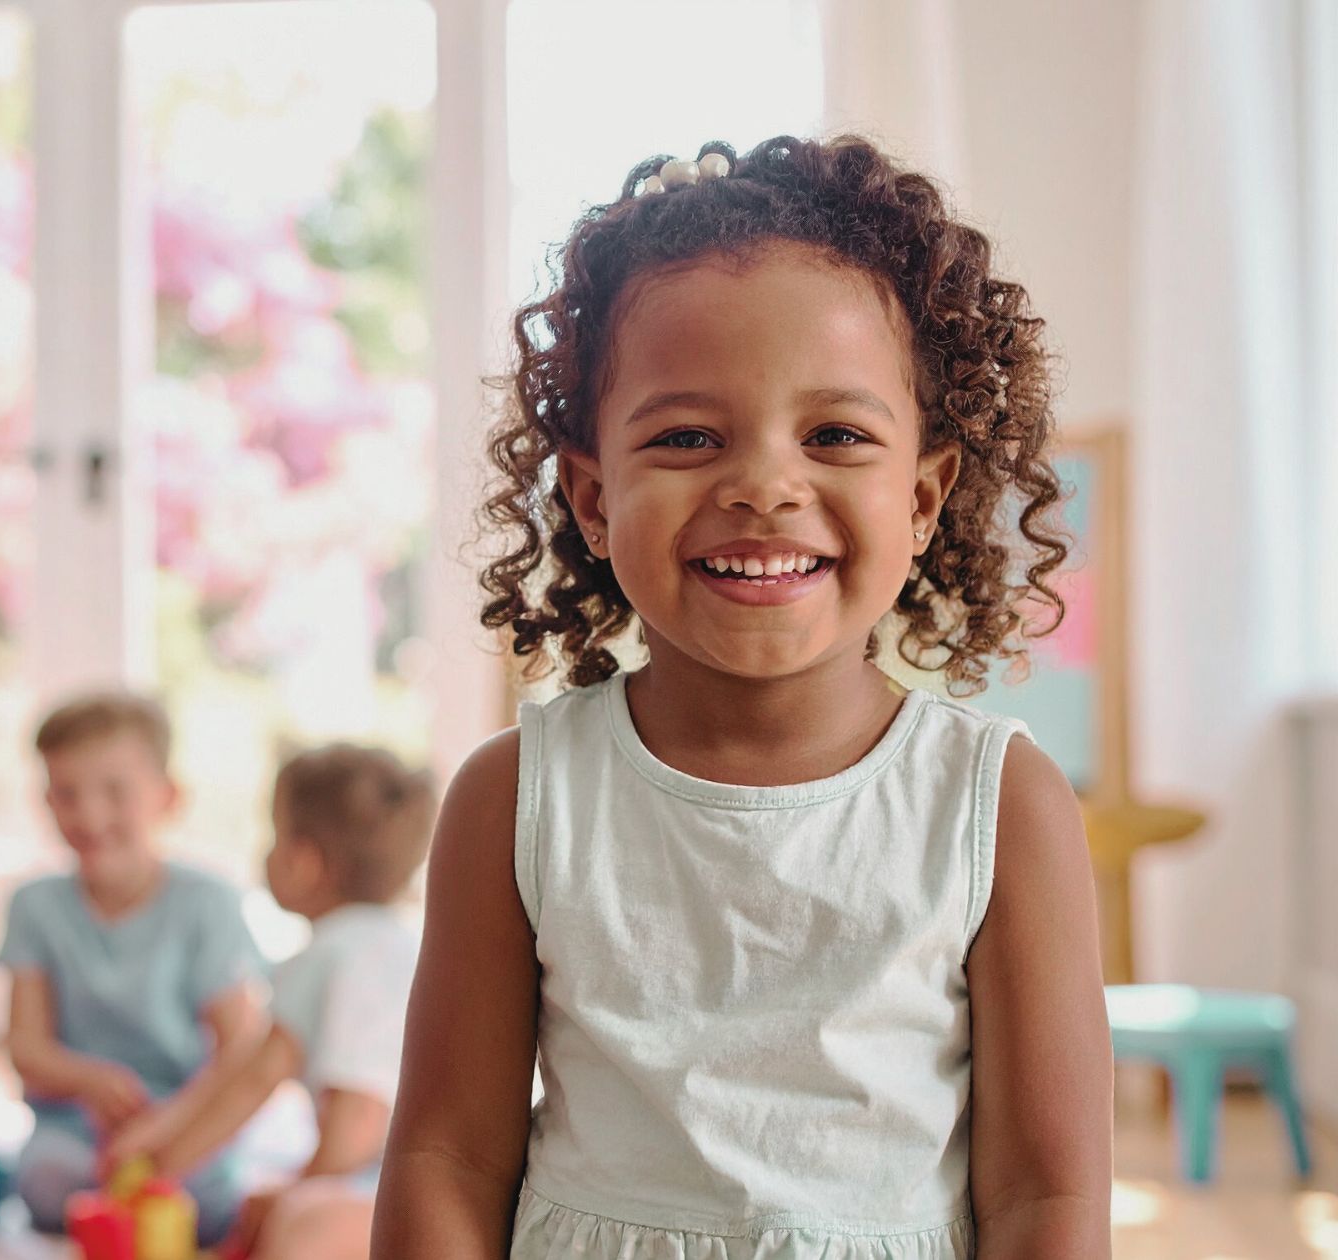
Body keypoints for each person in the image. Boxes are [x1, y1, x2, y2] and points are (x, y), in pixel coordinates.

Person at [373, 137, 1112, 1259]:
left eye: (833, 435)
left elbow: (1043, 1198)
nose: (764, 485)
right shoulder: (516, 795)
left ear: (918, 500)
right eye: (684, 437)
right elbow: (447, 1156)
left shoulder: (994, 803)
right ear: (588, 494)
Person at [109, 744, 432, 1260]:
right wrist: (162, 1152)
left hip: (397, 1199)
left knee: (295, 1224)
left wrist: (298, 1190)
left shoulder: (331, 954)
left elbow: (356, 1116)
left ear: (303, 862)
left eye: (274, 836)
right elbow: (245, 1072)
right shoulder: (403, 944)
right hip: (447, 1193)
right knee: (274, 1211)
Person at [0, 694, 266, 1246]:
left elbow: (239, 1052)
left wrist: (161, 1130)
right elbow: (26, 1049)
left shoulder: (207, 902)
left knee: (212, 1197)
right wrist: (89, 1081)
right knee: (45, 1180)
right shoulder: (34, 906)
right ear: (46, 800)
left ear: (168, 797)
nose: (90, 816)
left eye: (115, 792)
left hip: (184, 1121)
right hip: (75, 1129)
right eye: (68, 795)